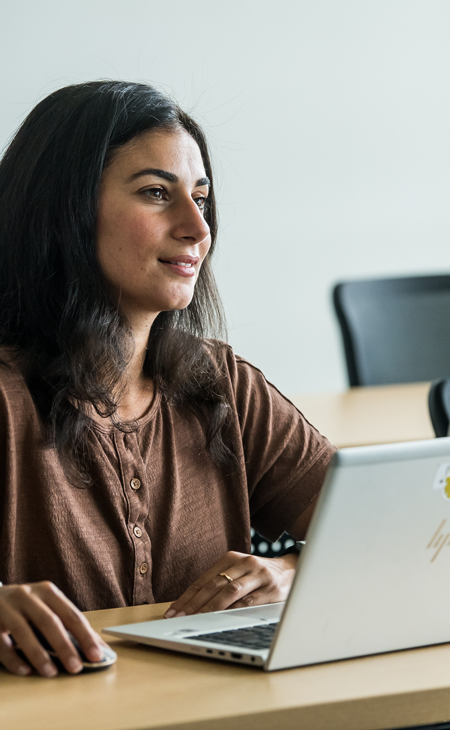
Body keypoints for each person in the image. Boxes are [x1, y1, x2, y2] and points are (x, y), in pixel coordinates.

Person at [0, 81, 335, 678]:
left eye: (201, 199)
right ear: (64, 211)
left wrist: (290, 573)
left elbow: (392, 539)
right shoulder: (6, 395)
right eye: (157, 193)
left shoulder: (222, 382)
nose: (197, 228)